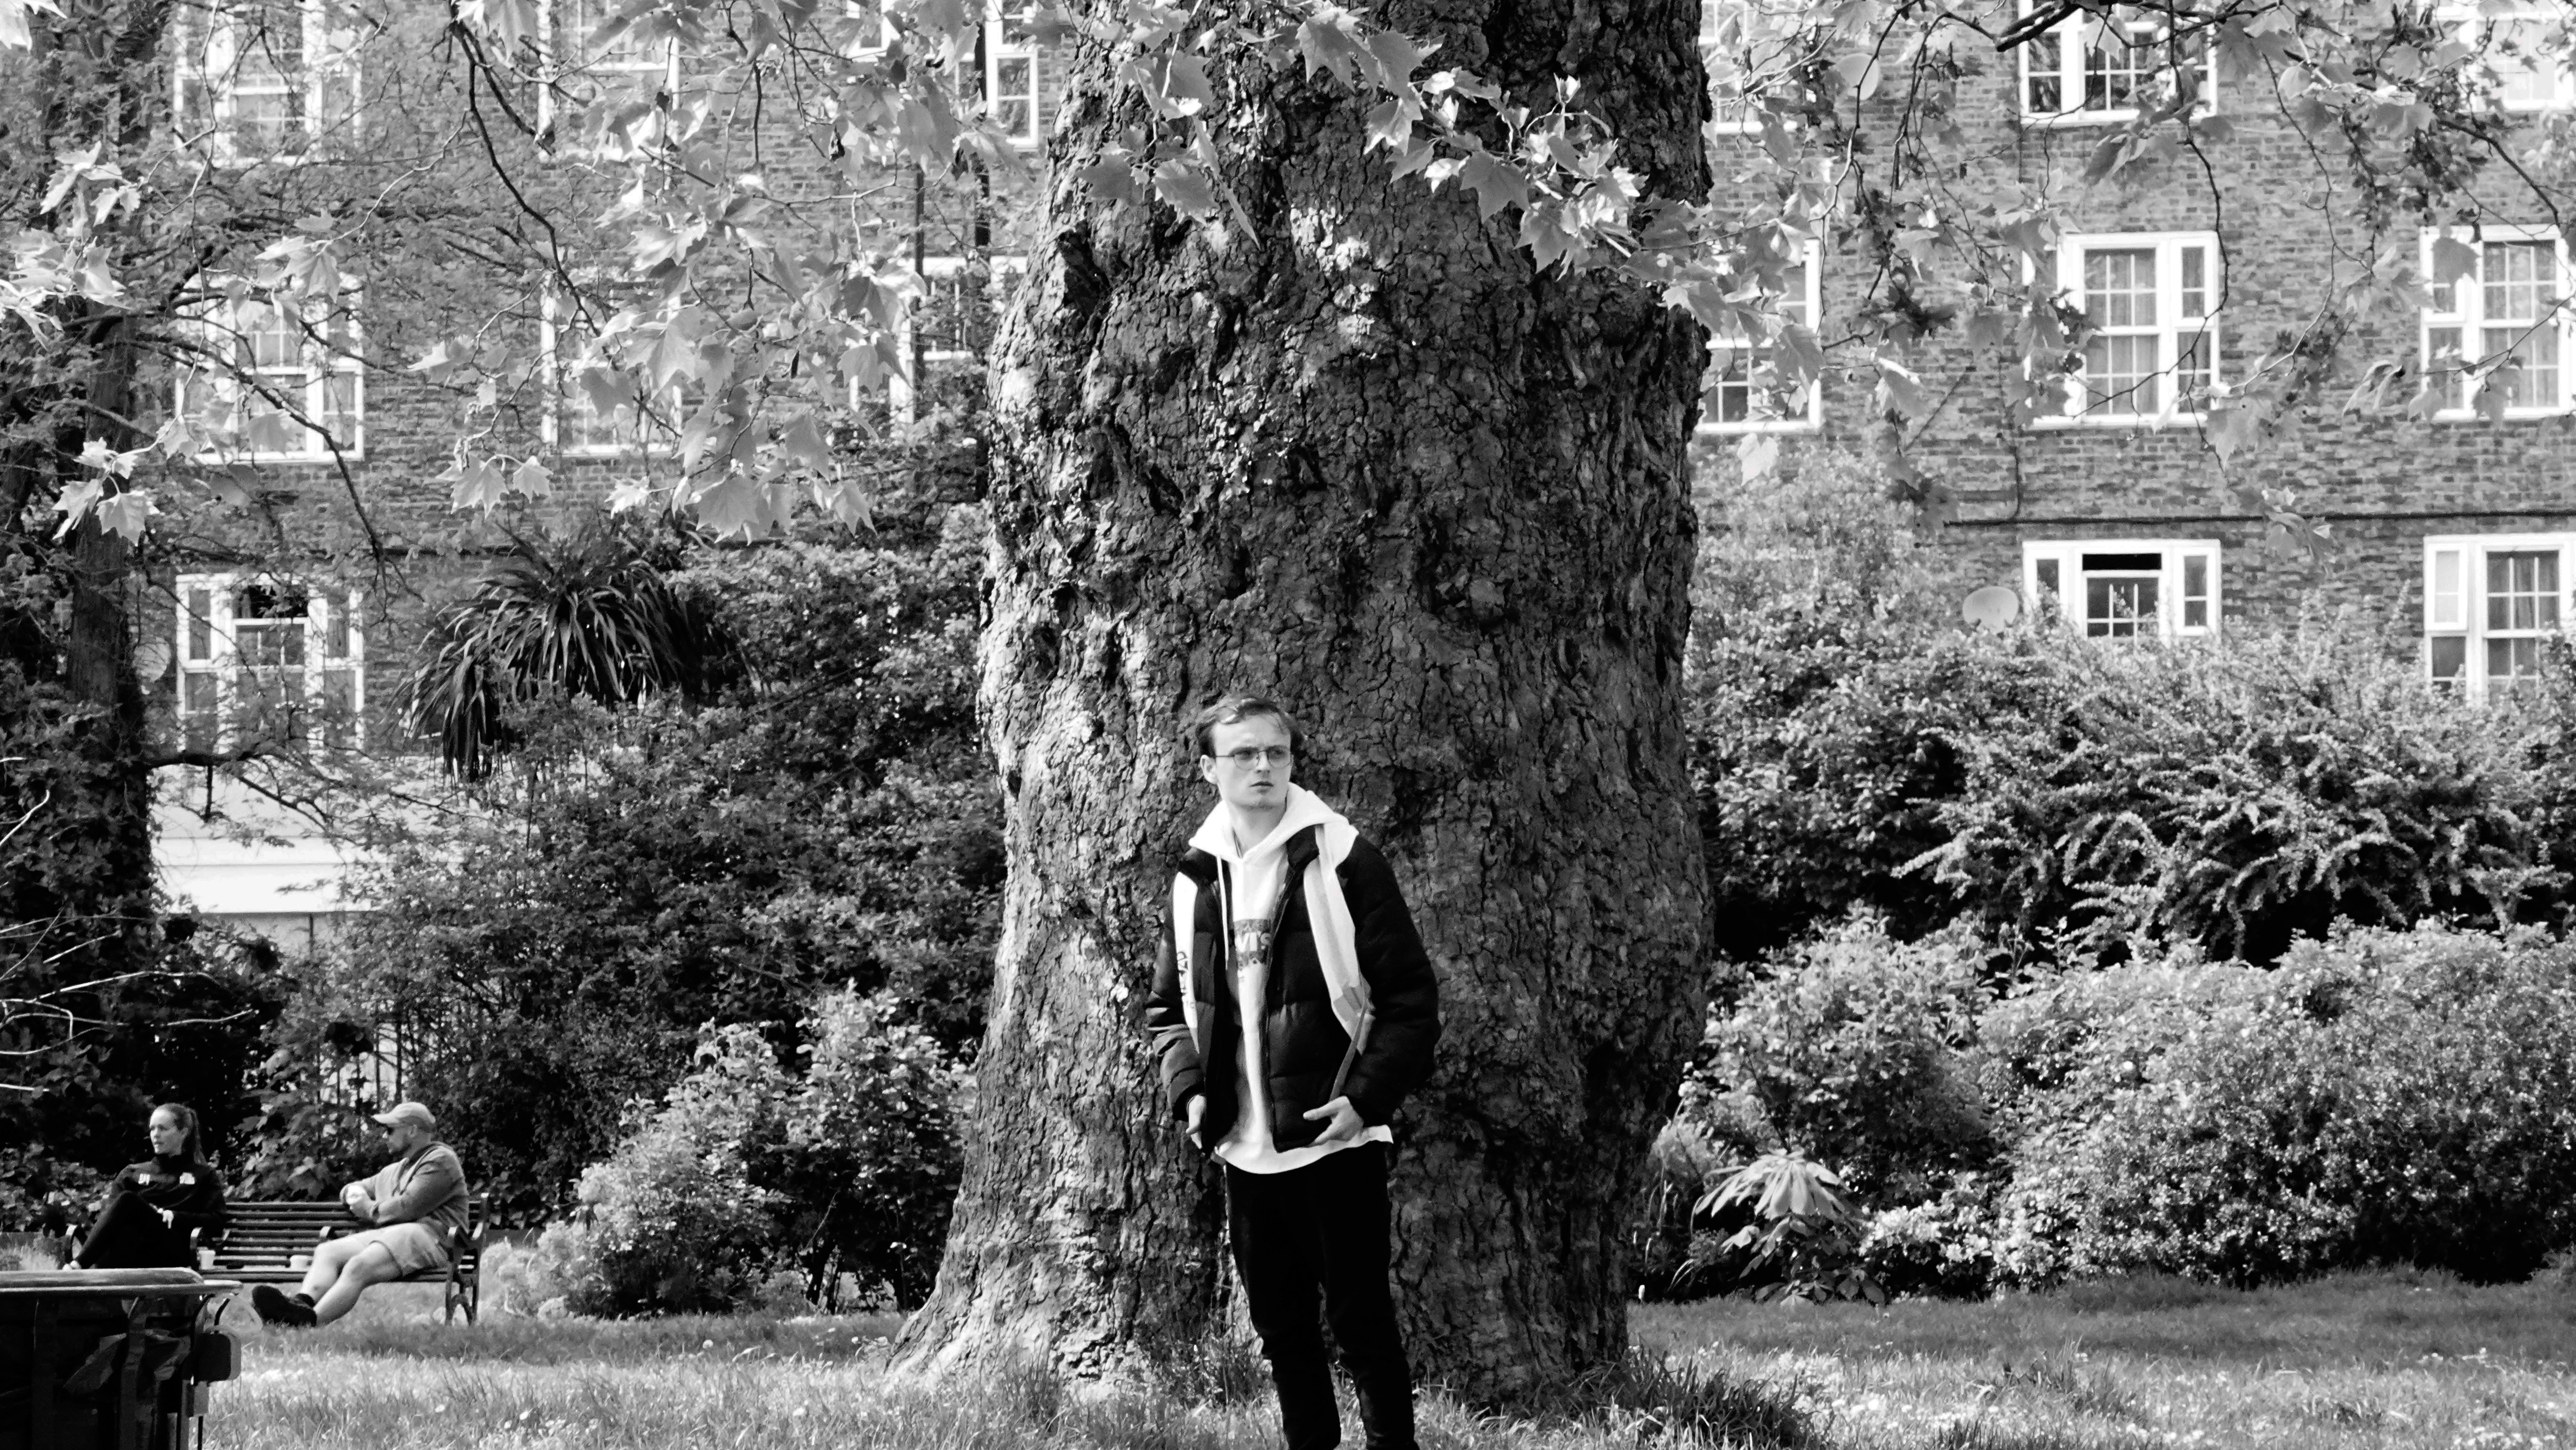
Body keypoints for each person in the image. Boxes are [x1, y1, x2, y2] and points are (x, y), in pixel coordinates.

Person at [1145, 696, 1441, 1450]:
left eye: (1275, 752)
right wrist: (1190, 1094)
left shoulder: (1342, 856)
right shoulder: (1195, 877)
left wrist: (1365, 1100)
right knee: (1281, 1332)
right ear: (1209, 768)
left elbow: (1411, 1001)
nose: (1263, 766)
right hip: (1244, 1148)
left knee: (1363, 1325)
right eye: (1243, 754)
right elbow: (1168, 1011)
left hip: (1333, 1139)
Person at [250, 1101, 470, 1328]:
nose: (385, 1136)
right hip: (395, 1235)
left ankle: (308, 1323)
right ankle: (299, 1305)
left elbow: (408, 1209)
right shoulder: (396, 1170)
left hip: (433, 1237)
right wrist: (352, 1192)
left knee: (359, 1266)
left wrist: (367, 1208)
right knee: (328, 1251)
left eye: (390, 1130)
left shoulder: (440, 1161)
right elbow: (358, 1188)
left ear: (412, 1131)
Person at [69, 1103, 229, 1270]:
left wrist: (175, 1216)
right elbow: (109, 1217)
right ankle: (91, 1278)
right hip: (126, 1248)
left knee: (129, 1200)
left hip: (171, 1252)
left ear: (183, 1132)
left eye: (163, 1129)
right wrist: (145, 1211)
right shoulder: (131, 1174)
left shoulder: (203, 1175)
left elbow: (217, 1221)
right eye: (152, 1129)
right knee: (127, 1224)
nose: (156, 1135)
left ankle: (77, 1267)